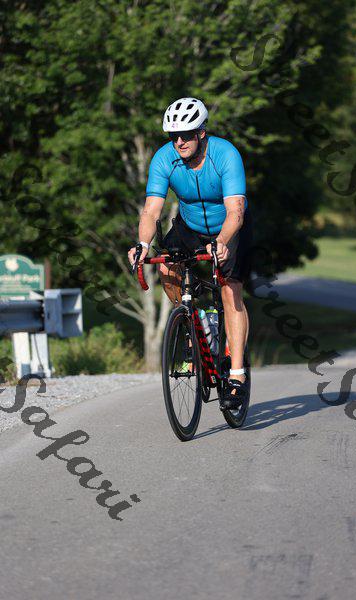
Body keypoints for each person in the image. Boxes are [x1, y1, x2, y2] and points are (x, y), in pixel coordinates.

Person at [128, 97, 253, 409]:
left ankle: (236, 375)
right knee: (166, 266)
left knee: (230, 289)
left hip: (228, 227)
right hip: (190, 225)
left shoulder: (225, 154)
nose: (179, 142)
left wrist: (221, 241)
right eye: (174, 136)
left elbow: (235, 211)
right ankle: (190, 320)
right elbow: (151, 211)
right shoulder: (164, 159)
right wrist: (142, 245)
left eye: (185, 135)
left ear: (201, 133)